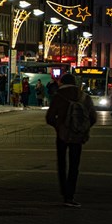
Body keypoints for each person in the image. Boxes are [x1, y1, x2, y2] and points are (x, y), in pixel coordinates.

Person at [46, 73, 97, 208]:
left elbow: (49, 117)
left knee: (62, 163)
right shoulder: (84, 96)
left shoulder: (58, 96)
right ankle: (70, 195)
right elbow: (93, 117)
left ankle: (64, 193)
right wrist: (81, 128)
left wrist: (59, 127)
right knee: (74, 165)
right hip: (77, 136)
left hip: (62, 135)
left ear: (62, 82)